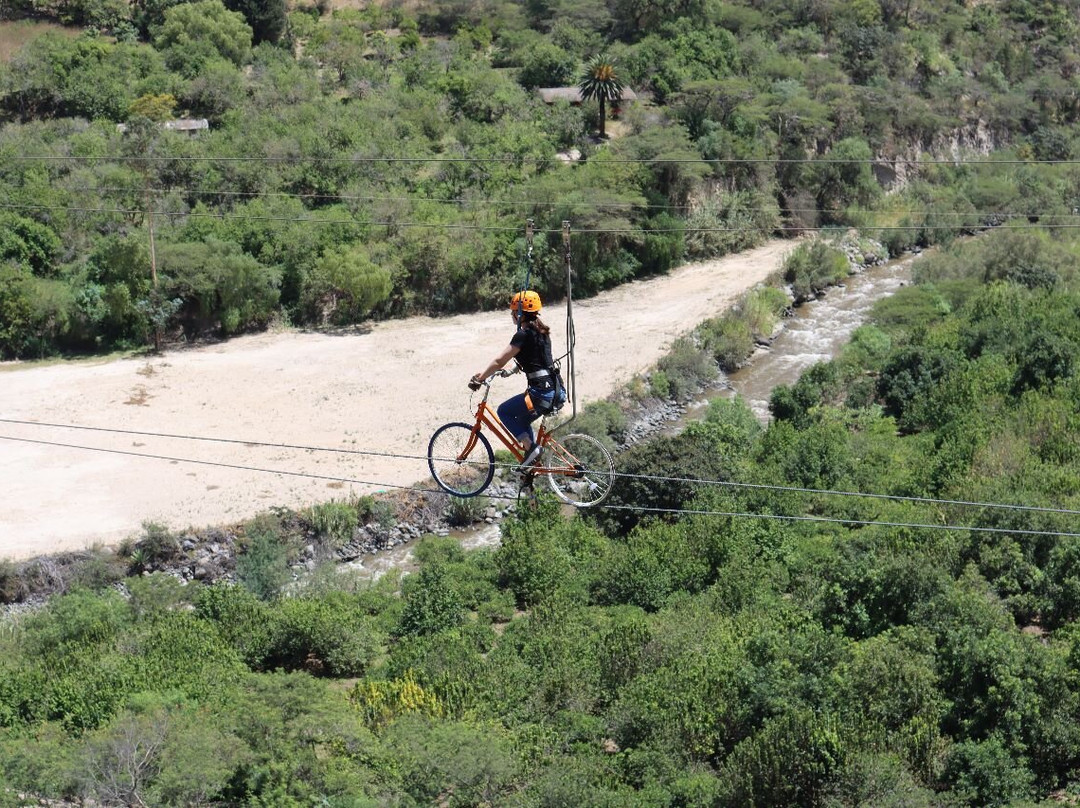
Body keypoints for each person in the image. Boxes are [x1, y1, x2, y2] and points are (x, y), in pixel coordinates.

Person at [470, 290, 561, 472]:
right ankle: (532, 458)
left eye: (513, 312)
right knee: (523, 421)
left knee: (504, 411)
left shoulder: (523, 334)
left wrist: (480, 379)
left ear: (519, 314)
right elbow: (534, 360)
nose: (512, 315)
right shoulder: (542, 333)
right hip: (556, 392)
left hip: (540, 394)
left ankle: (532, 449)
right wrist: (511, 371)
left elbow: (499, 361)